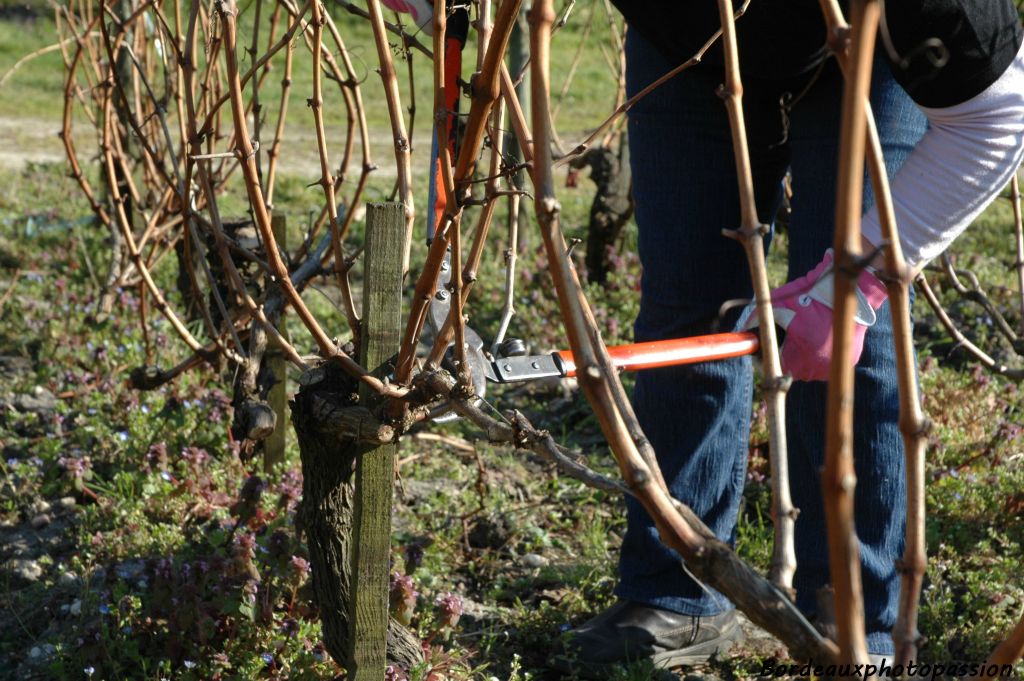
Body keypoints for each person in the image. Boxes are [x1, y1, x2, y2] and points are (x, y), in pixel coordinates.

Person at [559, 0, 1024, 674]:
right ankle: (680, 590)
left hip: (867, 51)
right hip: (688, 40)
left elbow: (997, 117)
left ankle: (856, 612)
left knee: (857, 343)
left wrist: (851, 283)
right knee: (688, 308)